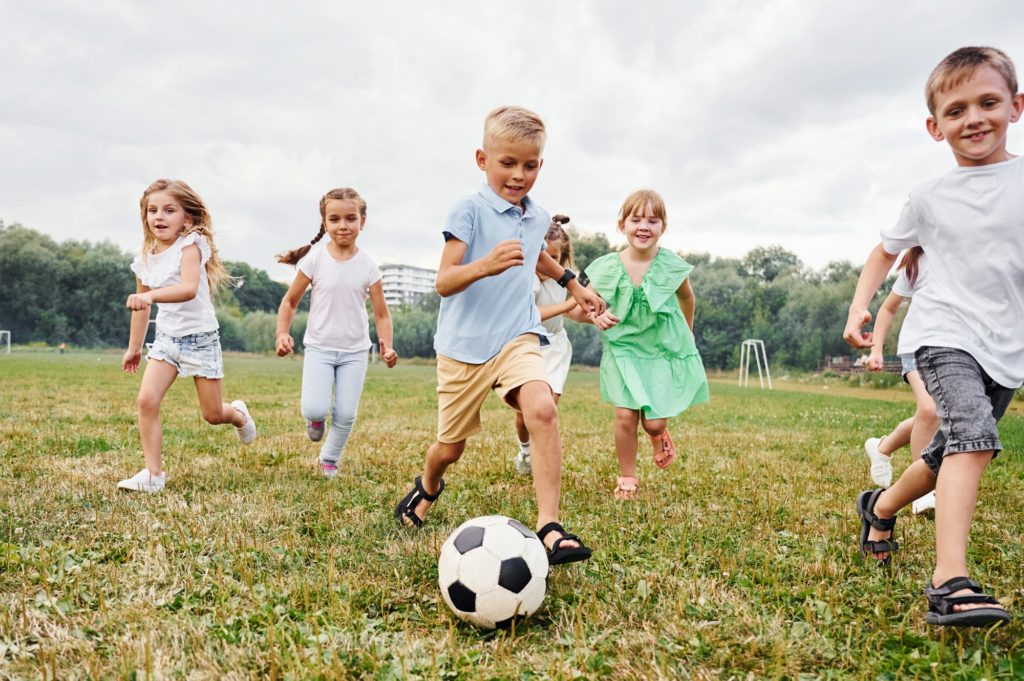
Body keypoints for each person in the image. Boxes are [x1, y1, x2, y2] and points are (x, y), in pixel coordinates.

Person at [844, 46, 1022, 627]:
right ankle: (951, 579)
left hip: (1005, 348)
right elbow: (883, 252)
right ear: (935, 125)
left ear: (1016, 107)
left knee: (948, 451)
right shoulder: (929, 196)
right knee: (973, 437)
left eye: (988, 102)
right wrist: (860, 307)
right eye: (956, 109)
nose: (974, 118)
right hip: (943, 335)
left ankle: (881, 506)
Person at [393, 106, 606, 566]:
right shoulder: (468, 209)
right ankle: (428, 485)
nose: (518, 174)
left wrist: (574, 284)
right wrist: (485, 264)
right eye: (507, 163)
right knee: (450, 448)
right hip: (463, 348)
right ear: (482, 159)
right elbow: (444, 281)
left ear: (540, 166)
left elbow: (535, 257)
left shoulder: (537, 216)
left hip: (517, 336)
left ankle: (549, 526)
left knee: (542, 408)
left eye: (530, 165)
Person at [120, 179, 256, 493]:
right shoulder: (145, 259)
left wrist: (152, 297)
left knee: (212, 414)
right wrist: (134, 348)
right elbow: (140, 308)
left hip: (200, 338)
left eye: (169, 210)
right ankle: (154, 475)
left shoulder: (190, 247)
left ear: (188, 218)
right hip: (167, 338)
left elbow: (187, 289)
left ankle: (238, 415)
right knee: (146, 400)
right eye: (152, 210)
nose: (159, 216)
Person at [582, 189, 709, 500]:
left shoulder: (671, 266)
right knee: (625, 417)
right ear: (622, 225)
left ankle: (658, 434)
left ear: (662, 228)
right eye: (636, 219)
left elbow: (686, 298)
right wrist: (595, 316)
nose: (643, 226)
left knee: (653, 423)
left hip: (659, 351)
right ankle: (628, 477)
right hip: (623, 350)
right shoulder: (608, 267)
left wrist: (686, 334)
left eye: (653, 220)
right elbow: (581, 305)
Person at [275, 188, 397, 478]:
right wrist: (282, 333)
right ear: (325, 222)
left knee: (345, 414)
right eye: (335, 219)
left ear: (362, 221)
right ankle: (315, 422)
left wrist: (387, 346)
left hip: (356, 351)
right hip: (319, 347)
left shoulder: (369, 266)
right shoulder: (315, 260)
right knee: (315, 409)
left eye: (350, 218)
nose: (343, 225)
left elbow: (382, 314)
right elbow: (289, 301)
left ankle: (329, 458)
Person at [862, 247, 939, 514]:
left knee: (935, 415)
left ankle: (882, 447)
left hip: (953, 350)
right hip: (915, 349)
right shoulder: (918, 262)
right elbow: (888, 308)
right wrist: (876, 349)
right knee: (929, 411)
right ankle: (924, 494)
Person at [512, 214, 580, 475]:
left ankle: (544, 459)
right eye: (542, 257)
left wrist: (592, 314)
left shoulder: (565, 279)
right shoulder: (525, 279)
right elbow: (533, 314)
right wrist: (570, 303)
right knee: (523, 415)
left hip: (556, 347)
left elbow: (570, 313)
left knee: (546, 407)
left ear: (562, 259)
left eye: (554, 258)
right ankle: (526, 450)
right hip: (528, 346)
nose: (547, 264)